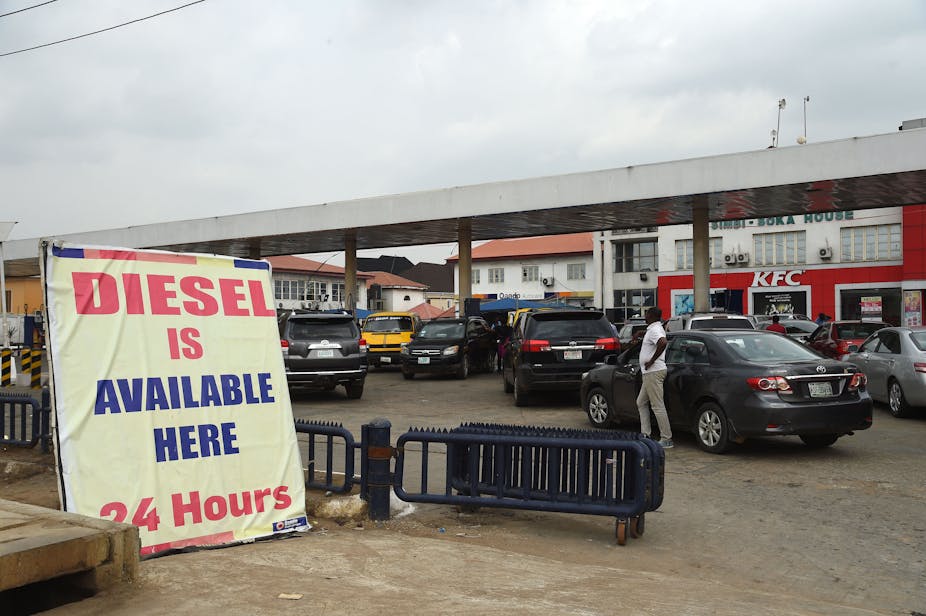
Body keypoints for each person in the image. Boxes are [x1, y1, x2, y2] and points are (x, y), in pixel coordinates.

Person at [636, 306, 673, 449]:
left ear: (651, 316)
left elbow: (663, 342)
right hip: (650, 373)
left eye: (646, 314)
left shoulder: (655, 330)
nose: (644, 316)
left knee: (657, 406)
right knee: (641, 402)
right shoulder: (653, 329)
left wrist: (651, 361)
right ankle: (645, 434)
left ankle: (666, 438)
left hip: (653, 371)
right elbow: (655, 336)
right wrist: (641, 332)